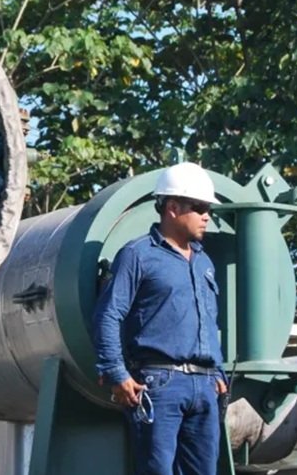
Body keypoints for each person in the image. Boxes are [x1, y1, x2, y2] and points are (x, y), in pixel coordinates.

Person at [92, 162, 228, 475]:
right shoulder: (138, 255)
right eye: (199, 207)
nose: (207, 215)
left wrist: (217, 373)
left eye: (208, 208)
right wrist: (116, 372)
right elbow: (109, 313)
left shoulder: (204, 262)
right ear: (172, 207)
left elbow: (208, 320)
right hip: (159, 384)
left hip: (204, 384)